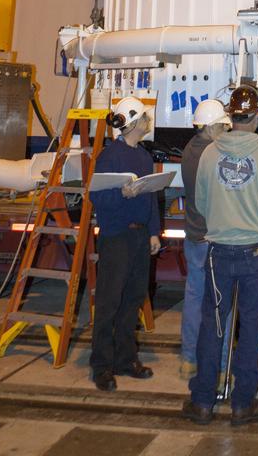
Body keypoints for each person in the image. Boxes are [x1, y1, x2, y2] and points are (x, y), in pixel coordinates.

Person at [183, 84, 258, 427]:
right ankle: (242, 403)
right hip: (256, 254)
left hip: (218, 254)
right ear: (257, 116)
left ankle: (202, 402)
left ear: (231, 116)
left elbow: (200, 202)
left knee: (213, 327)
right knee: (251, 327)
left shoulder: (211, 154)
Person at [89, 95, 160, 391]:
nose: (148, 122)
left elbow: (152, 197)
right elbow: (97, 196)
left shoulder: (143, 156)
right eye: (145, 117)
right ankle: (101, 366)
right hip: (116, 237)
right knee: (109, 302)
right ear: (133, 123)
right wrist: (122, 194)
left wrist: (154, 232)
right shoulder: (110, 156)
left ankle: (125, 358)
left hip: (139, 237)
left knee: (132, 299)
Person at [178, 98, 232, 376]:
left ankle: (189, 360)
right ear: (210, 128)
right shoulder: (212, 154)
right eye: (222, 127)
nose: (225, 132)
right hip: (213, 238)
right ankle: (220, 367)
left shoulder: (190, 149)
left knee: (194, 296)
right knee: (220, 303)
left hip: (194, 235)